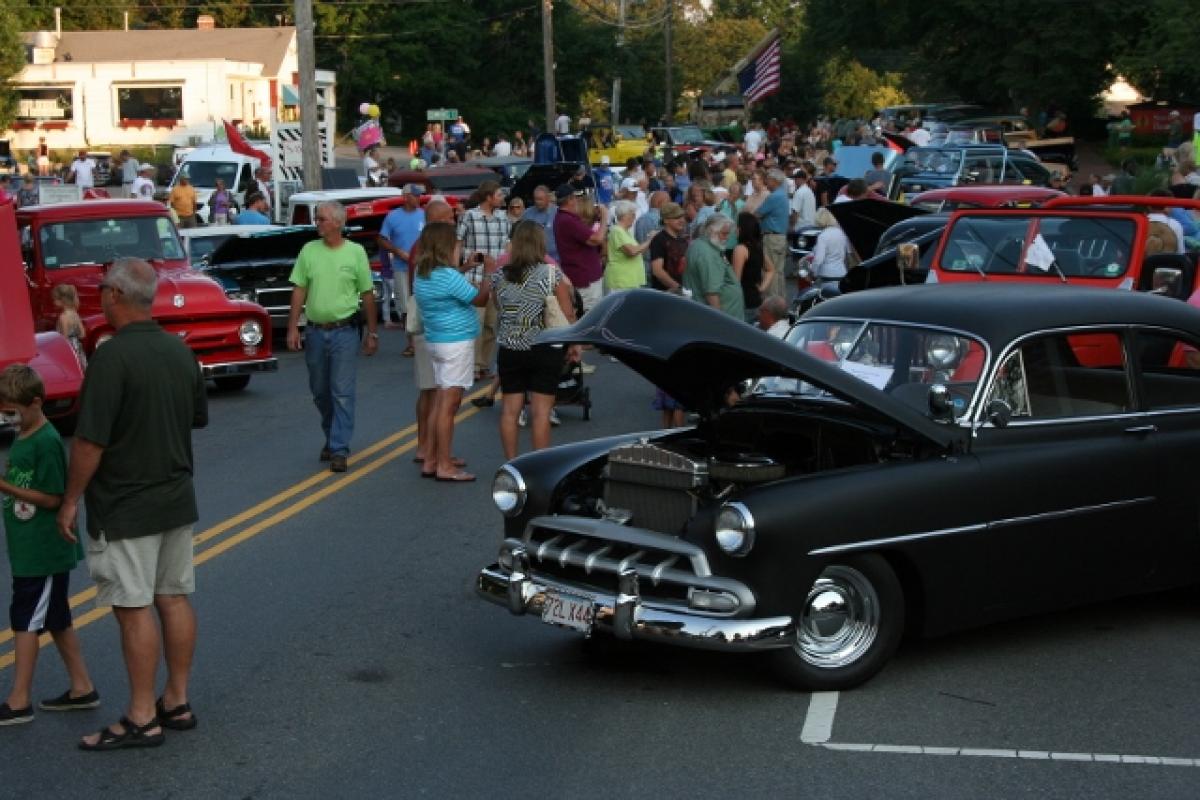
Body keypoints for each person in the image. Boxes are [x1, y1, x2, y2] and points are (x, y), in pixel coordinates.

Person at [56, 258, 207, 751]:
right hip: (175, 497)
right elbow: (195, 418)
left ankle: (142, 716)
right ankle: (176, 700)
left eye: (103, 289)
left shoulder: (112, 357)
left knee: (133, 607)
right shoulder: (179, 352)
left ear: (115, 296)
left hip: (125, 505)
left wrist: (71, 500)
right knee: (174, 597)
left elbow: (88, 443)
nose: (99, 296)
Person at [0, 365, 98, 727]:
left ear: (37, 402)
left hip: (42, 552)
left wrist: (5, 487)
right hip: (29, 547)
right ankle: (82, 687)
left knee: (24, 619)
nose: (7, 418)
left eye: (12, 411)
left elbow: (53, 499)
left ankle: (19, 699)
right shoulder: (25, 435)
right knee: (56, 618)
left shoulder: (46, 441)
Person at [286, 201, 379, 474]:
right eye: (318, 219)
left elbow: (367, 294)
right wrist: (293, 327)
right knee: (320, 391)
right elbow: (299, 290)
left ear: (338, 223)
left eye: (323, 219)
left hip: (345, 331)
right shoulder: (308, 250)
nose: (318, 223)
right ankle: (331, 435)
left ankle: (339, 448)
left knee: (342, 392)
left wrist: (372, 333)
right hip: (316, 331)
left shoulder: (355, 252)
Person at [414, 221, 496, 482]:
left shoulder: (423, 273)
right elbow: (480, 299)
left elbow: (448, 284)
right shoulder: (447, 276)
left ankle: (432, 458)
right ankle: (445, 466)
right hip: (455, 342)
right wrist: (487, 274)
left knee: (440, 399)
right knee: (449, 405)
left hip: (437, 340)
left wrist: (466, 267)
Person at [492, 221, 577, 460]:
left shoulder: (500, 274)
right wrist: (574, 344)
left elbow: (499, 306)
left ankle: (511, 462)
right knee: (541, 412)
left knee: (510, 411)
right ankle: (539, 464)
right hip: (544, 347)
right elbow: (567, 313)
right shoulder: (551, 274)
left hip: (510, 347)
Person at [455, 180, 510, 382]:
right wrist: (456, 270)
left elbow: (507, 247)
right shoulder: (469, 216)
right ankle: (473, 366)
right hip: (474, 278)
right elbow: (458, 244)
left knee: (490, 325)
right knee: (475, 324)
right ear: (488, 197)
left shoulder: (504, 219)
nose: (502, 198)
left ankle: (484, 364)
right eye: (499, 195)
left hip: (497, 279)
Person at [378, 184, 426, 341]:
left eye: (419, 195)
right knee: (405, 306)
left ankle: (423, 340)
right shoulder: (393, 216)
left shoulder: (424, 215)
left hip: (421, 267)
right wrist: (397, 251)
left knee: (422, 303)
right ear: (405, 197)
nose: (419, 198)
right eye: (415, 195)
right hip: (401, 268)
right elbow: (382, 239)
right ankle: (410, 342)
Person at [552, 183, 607, 316]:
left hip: (582, 275)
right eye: (575, 198)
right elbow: (597, 239)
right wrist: (605, 217)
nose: (577, 201)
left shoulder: (565, 218)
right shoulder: (568, 220)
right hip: (585, 278)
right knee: (590, 316)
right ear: (570, 199)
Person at [683, 213, 743, 319]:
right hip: (722, 319)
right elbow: (711, 293)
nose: (727, 237)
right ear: (711, 231)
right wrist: (720, 320)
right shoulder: (707, 254)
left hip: (708, 312)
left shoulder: (700, 245)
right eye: (724, 234)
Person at [730, 212, 776, 324]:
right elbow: (771, 270)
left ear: (742, 229)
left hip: (744, 301)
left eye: (737, 226)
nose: (735, 230)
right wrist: (762, 288)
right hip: (756, 299)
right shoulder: (756, 248)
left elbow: (735, 280)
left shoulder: (740, 249)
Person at [755, 168, 791, 300]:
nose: (766, 183)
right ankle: (781, 301)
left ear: (774, 181)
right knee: (779, 272)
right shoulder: (783, 194)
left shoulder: (774, 196)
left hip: (772, 237)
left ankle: (773, 302)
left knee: (771, 272)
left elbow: (757, 214)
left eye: (768, 180)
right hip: (780, 237)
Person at [605, 200, 650, 291]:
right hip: (622, 280)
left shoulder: (625, 231)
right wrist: (650, 240)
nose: (634, 218)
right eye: (633, 215)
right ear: (626, 215)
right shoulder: (617, 231)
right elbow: (632, 251)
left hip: (628, 279)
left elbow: (638, 251)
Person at [648, 201, 690, 292]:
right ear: (666, 220)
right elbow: (657, 270)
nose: (682, 220)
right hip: (665, 295)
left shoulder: (683, 238)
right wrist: (679, 289)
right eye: (676, 217)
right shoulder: (659, 240)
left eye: (682, 217)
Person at [806, 207, 851, 286]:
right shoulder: (841, 233)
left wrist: (813, 273)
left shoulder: (823, 236)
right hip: (841, 272)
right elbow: (846, 254)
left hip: (827, 274)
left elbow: (818, 259)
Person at [53, 284, 88, 368]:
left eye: (55, 299)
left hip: (68, 351)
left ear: (62, 300)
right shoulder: (75, 314)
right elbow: (82, 334)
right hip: (78, 348)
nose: (53, 302)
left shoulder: (63, 317)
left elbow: (64, 338)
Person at [522, 185, 558, 262]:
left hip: (554, 259)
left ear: (548, 198)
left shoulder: (558, 213)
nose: (537, 202)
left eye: (540, 199)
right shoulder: (527, 214)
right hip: (532, 259)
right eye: (535, 199)